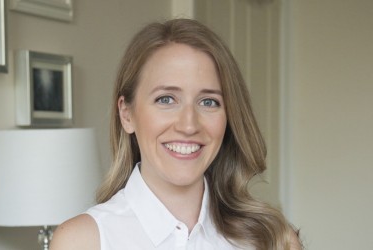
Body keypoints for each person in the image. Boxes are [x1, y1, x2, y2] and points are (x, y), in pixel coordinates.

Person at [50, 18, 302, 250]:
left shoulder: (273, 239)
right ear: (126, 114)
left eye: (208, 102)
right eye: (166, 99)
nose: (189, 125)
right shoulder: (84, 241)